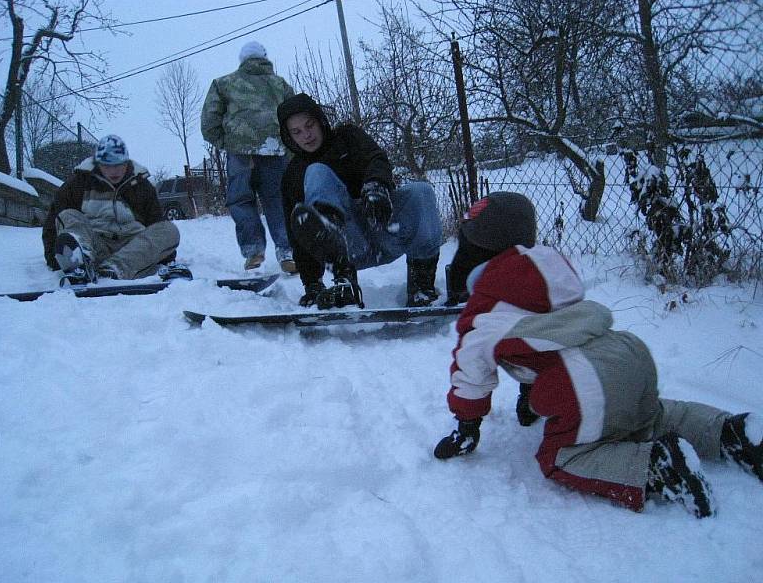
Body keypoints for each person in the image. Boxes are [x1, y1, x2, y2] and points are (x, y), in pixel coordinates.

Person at [434, 191, 763, 518]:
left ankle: (657, 466)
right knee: (649, 415)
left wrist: (467, 426)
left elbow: (471, 372)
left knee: (562, 457)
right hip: (626, 353)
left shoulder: (485, 311)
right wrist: (530, 393)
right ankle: (730, 432)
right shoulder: (551, 271)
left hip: (583, 384)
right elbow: (544, 329)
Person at [276, 92, 443, 309]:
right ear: (289, 137)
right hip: (349, 247)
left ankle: (422, 285)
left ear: (320, 121)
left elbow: (376, 158)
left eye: (310, 125)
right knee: (316, 171)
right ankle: (346, 285)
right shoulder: (293, 175)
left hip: (384, 228)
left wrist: (376, 185)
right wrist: (312, 284)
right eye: (297, 132)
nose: (306, 135)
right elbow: (298, 231)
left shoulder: (347, 136)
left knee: (421, 191)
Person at [200, 41, 296, 273]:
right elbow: (294, 116)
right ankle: (287, 253)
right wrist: (290, 149)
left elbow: (209, 122)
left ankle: (254, 251)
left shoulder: (223, 84)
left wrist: (226, 143)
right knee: (277, 200)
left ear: (242, 60)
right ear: (264, 58)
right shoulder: (279, 84)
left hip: (240, 153)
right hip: (274, 149)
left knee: (241, 199)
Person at [42, 134, 186, 285]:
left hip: (132, 249)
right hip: (94, 246)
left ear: (127, 163)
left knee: (169, 230)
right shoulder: (77, 184)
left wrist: (162, 255)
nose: (114, 171)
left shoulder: (142, 186)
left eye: (119, 165)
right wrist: (54, 259)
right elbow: (54, 221)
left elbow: (156, 225)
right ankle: (80, 264)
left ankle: (113, 269)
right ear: (98, 164)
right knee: (68, 215)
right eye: (107, 165)